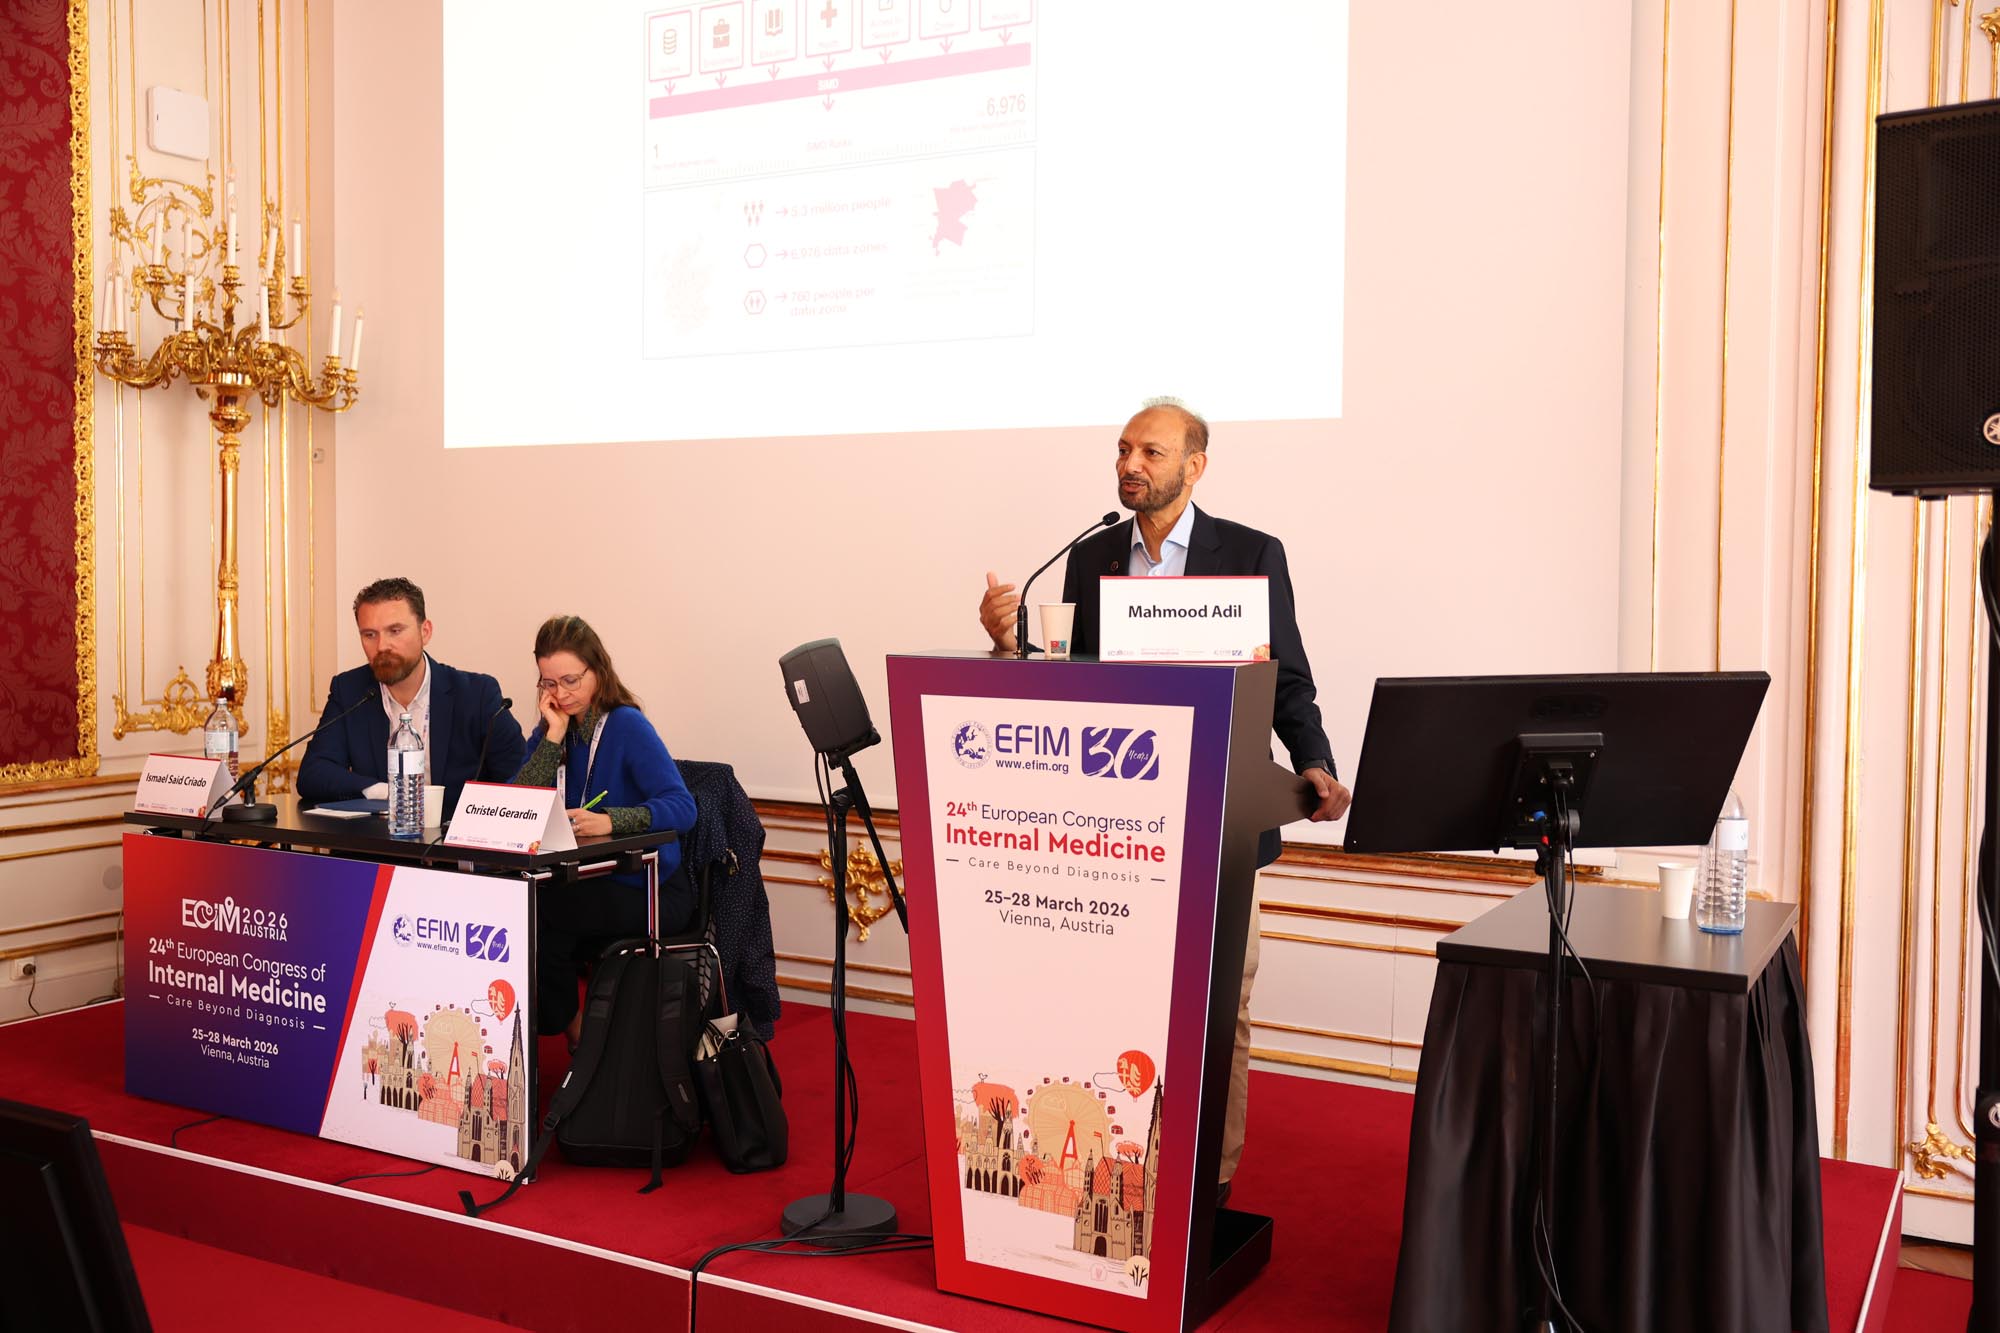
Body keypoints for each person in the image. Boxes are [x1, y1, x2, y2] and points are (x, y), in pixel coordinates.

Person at [977, 398, 1352, 1202]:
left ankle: (1209, 1184)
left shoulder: (1250, 553)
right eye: (1122, 450)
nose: (1130, 464)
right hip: (1117, 826)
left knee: (1222, 1005)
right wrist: (1010, 646)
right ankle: (1117, 1172)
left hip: (1222, 816)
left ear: (1194, 465)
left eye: (1150, 451)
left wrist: (1315, 761)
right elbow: (1069, 681)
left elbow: (1287, 680)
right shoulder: (1094, 556)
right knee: (1117, 1003)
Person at [513, 614, 697, 1047]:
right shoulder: (556, 727)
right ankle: (577, 1032)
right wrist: (552, 739)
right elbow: (518, 801)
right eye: (549, 683)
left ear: (598, 670)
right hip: (583, 880)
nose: (561, 694)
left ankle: (580, 1038)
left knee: (542, 913)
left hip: (648, 887)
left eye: (571, 681)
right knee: (523, 905)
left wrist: (613, 820)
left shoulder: (626, 724)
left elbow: (683, 807)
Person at [299, 578, 528, 812]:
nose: (382, 646)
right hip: (378, 834)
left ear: (425, 632)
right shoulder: (350, 690)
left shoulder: (476, 695)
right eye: (370, 634)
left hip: (454, 834)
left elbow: (522, 781)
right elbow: (313, 773)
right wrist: (385, 792)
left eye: (395, 631)